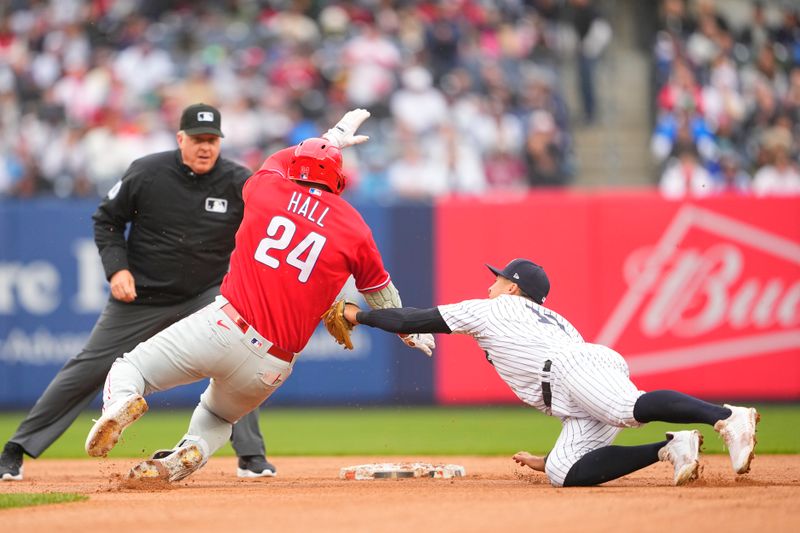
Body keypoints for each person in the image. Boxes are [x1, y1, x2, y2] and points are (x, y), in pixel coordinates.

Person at [83, 111, 435, 483]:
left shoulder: (266, 188)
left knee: (130, 368)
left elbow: (280, 160)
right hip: (273, 365)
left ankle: (121, 404)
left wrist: (331, 137)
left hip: (224, 326)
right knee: (221, 417)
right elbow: (379, 291)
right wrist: (407, 328)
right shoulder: (355, 228)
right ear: (339, 181)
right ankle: (186, 455)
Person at [1, 103, 274, 481]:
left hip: (203, 293)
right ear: (181, 139)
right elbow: (107, 221)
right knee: (90, 365)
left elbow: (272, 227)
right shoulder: (148, 171)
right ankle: (16, 448)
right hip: (141, 293)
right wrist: (117, 270)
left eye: (212, 140)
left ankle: (251, 457)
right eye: (197, 139)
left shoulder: (239, 182)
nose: (205, 147)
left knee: (238, 356)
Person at [340, 258, 759, 487]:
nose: (491, 284)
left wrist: (356, 314)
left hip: (570, 368)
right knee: (562, 471)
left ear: (514, 288)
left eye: (499, 278)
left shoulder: (493, 308)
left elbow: (413, 319)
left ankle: (725, 416)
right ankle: (671, 448)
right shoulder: (552, 319)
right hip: (573, 383)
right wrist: (545, 459)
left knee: (626, 408)